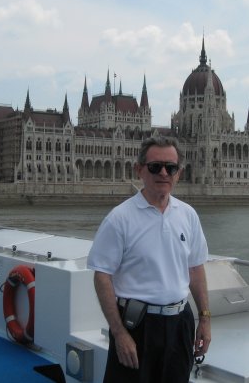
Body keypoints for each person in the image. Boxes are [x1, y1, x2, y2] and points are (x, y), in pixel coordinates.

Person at [87, 136, 211, 382]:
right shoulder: (120, 218)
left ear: (179, 173)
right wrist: (119, 332)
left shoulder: (188, 215)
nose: (163, 173)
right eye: (155, 167)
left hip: (180, 323)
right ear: (140, 170)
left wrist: (205, 318)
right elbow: (102, 276)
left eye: (171, 167)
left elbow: (196, 270)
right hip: (137, 325)